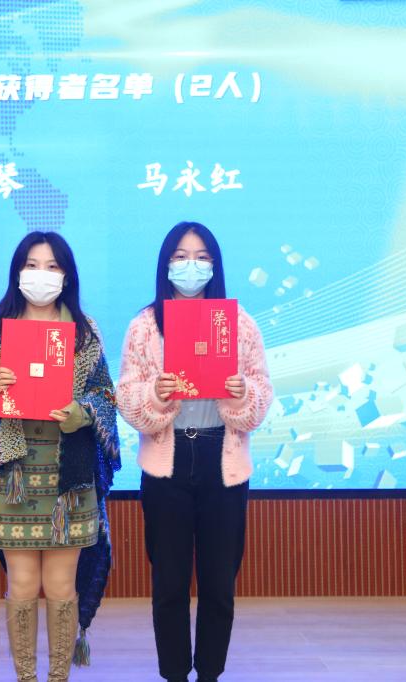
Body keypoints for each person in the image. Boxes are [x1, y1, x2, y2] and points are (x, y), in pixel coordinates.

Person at [0, 232, 121, 682]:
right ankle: (26, 678)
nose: (41, 275)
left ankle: (58, 678)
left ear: (66, 276)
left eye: (52, 266)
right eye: (31, 265)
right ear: (17, 272)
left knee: (62, 585)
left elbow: (106, 396)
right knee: (23, 584)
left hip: (70, 478)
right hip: (14, 477)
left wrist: (83, 413)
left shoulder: (84, 332)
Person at [116, 221, 272, 682]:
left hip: (222, 461)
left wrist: (242, 393)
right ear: (165, 265)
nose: (191, 265)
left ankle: (209, 674)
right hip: (167, 465)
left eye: (202, 257)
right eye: (181, 256)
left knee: (219, 584)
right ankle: (174, 674)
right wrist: (155, 394)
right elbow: (126, 396)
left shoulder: (240, 324)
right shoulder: (145, 325)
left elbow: (262, 394)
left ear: (215, 265)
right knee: (169, 584)